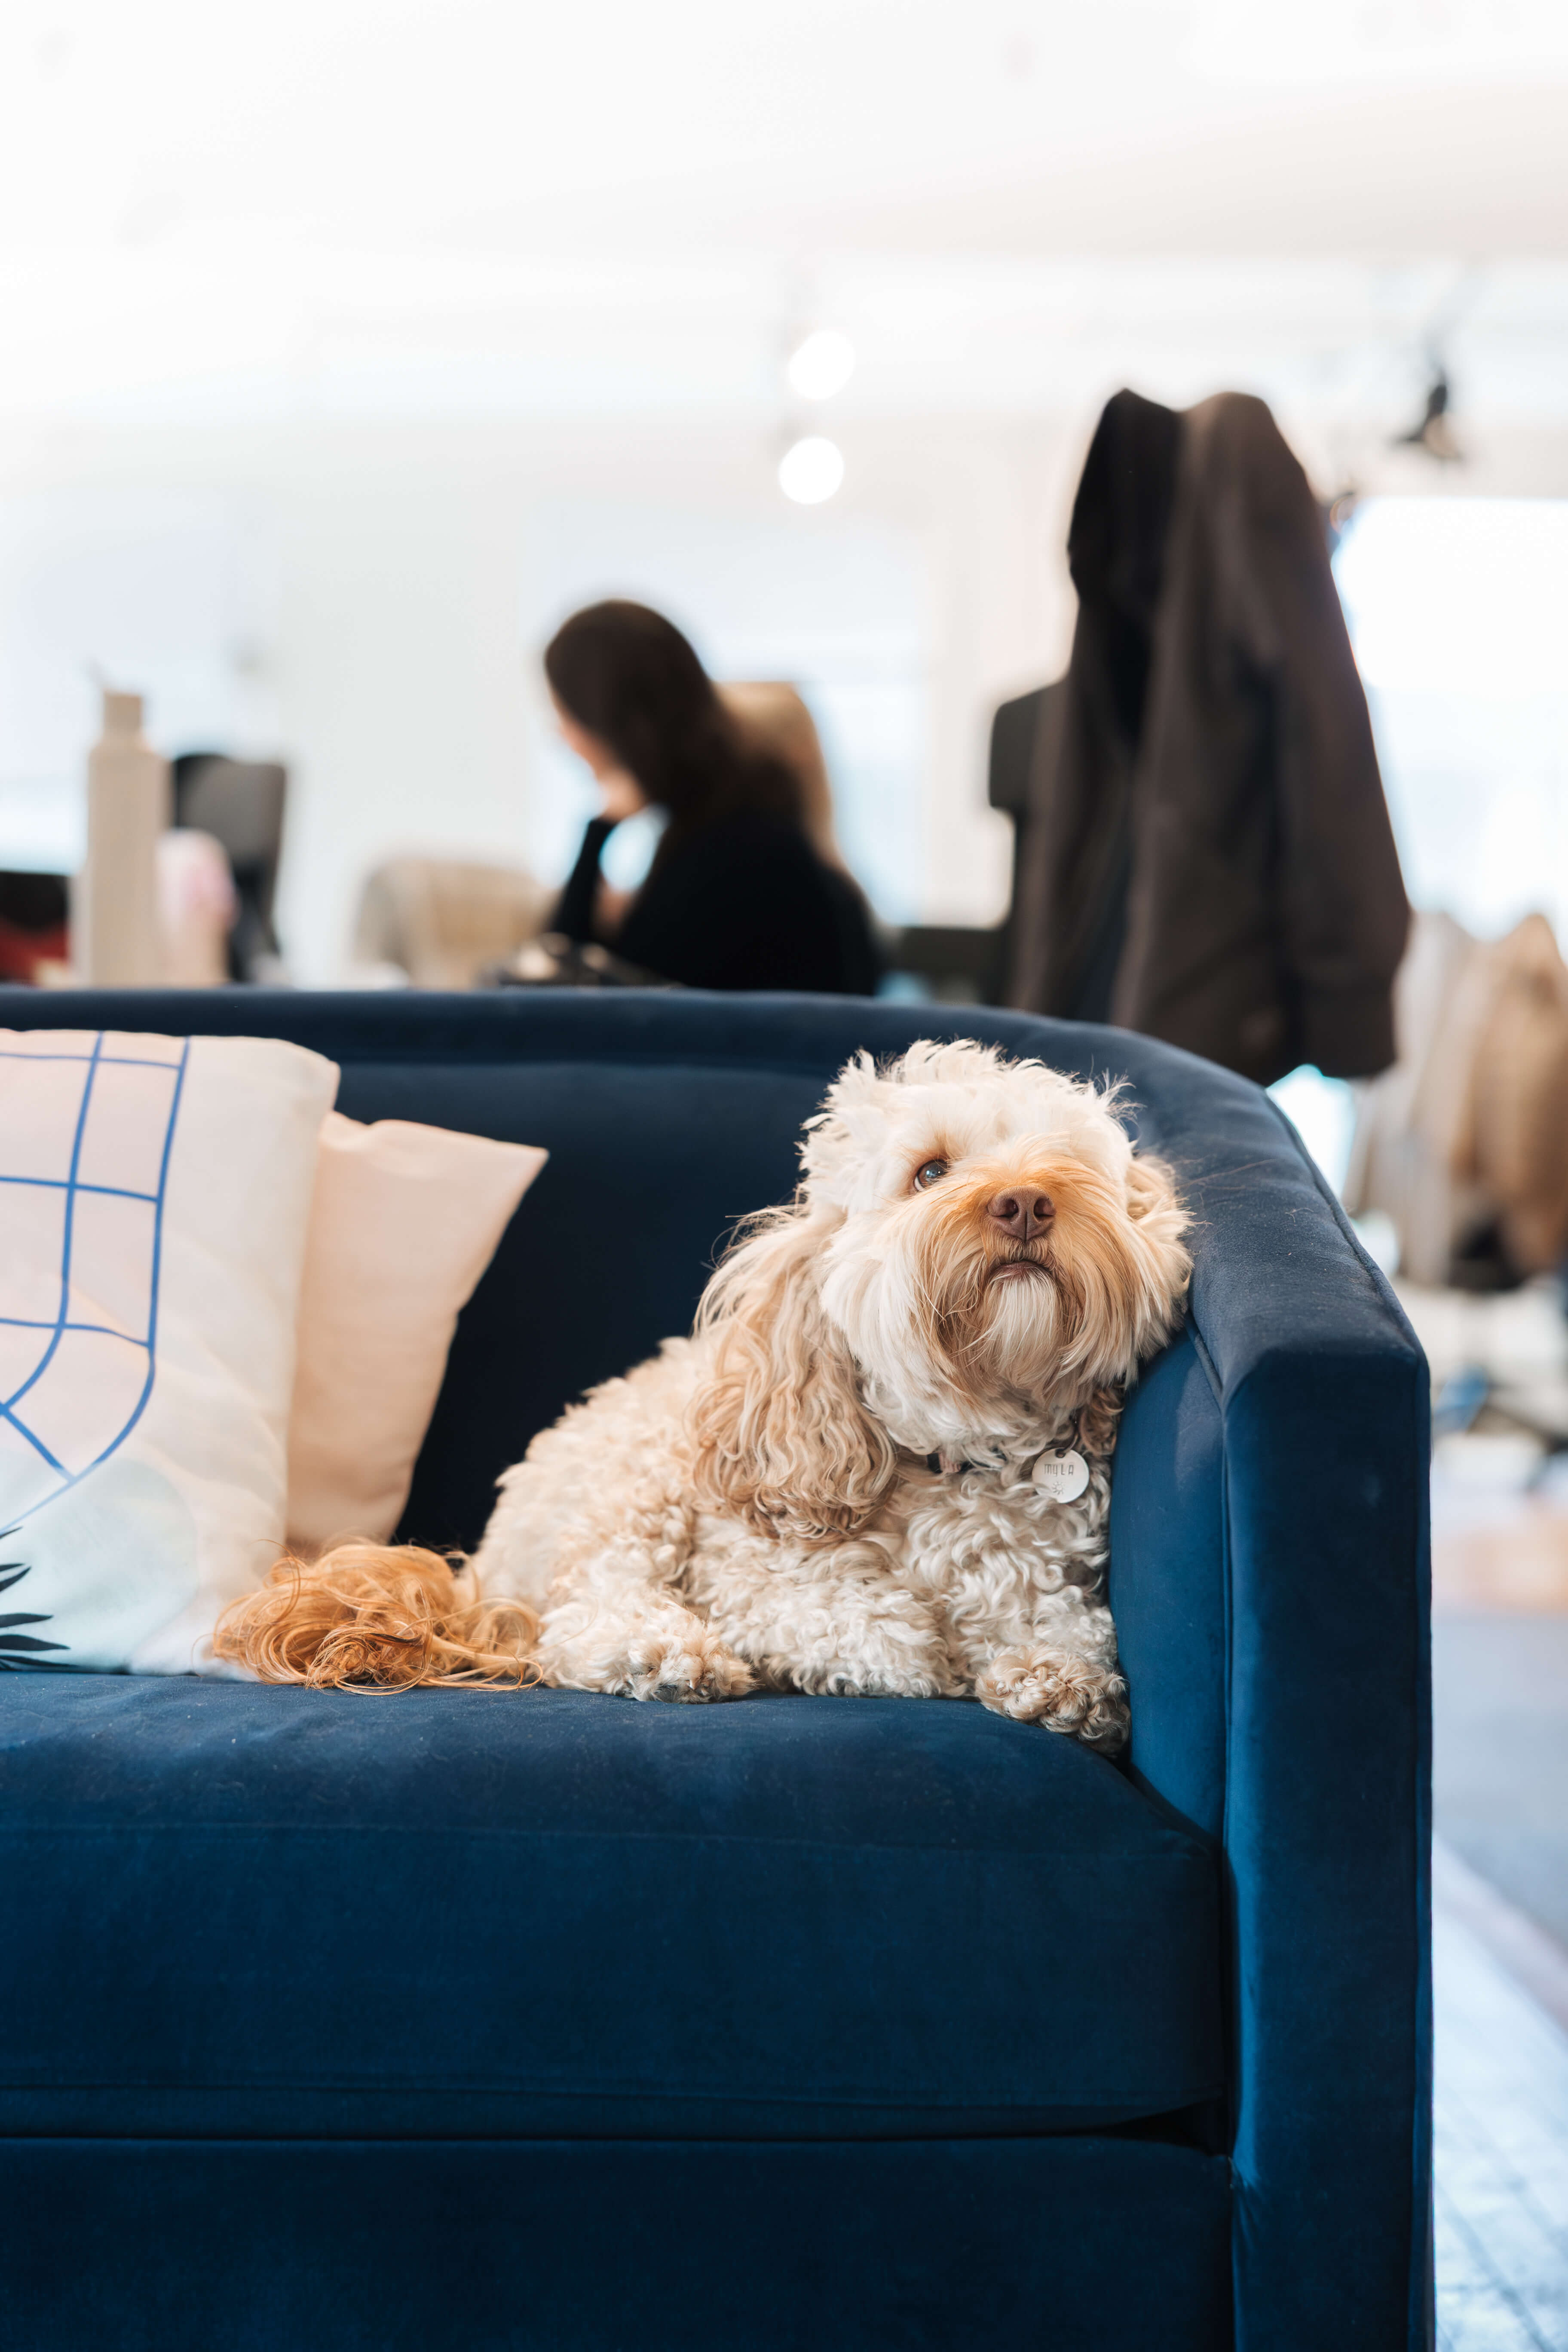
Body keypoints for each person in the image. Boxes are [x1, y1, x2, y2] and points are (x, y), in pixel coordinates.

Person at [545, 601, 879, 995]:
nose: (562, 737)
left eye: (566, 715)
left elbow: (565, 990)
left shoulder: (732, 850)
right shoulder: (732, 826)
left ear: (606, 719)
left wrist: (600, 830)